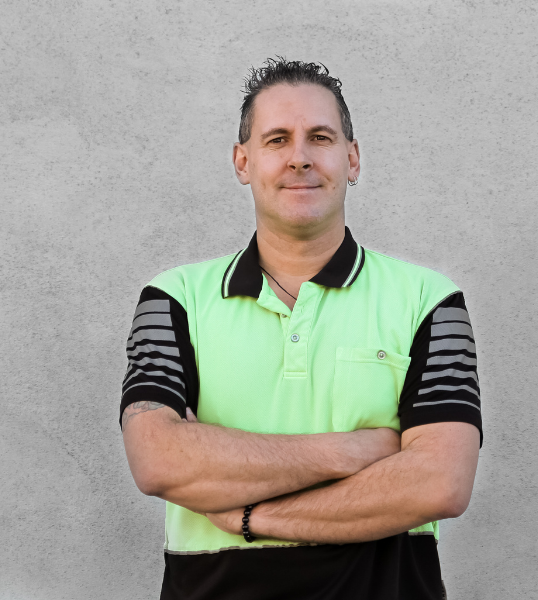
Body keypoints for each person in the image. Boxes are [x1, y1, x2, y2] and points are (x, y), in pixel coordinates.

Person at [120, 58, 482, 600]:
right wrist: (348, 452)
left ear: (352, 158)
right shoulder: (175, 299)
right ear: (243, 162)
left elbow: (441, 483)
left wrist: (251, 517)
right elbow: (157, 461)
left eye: (320, 137)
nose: (299, 157)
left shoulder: (429, 300)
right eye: (277, 140)